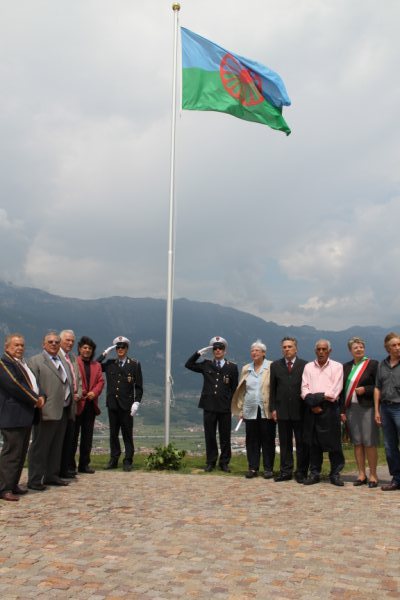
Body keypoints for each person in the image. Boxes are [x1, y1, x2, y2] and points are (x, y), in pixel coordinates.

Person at [28, 331, 75, 490]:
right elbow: (33, 386)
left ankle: (51, 476)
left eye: (56, 342)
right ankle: (35, 479)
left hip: (64, 409)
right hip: (45, 411)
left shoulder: (63, 361)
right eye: (50, 342)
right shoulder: (36, 361)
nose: (54, 344)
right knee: (40, 447)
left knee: (56, 446)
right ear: (44, 344)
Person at [0, 334, 44, 501]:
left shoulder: (22, 364)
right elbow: (15, 385)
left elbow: (34, 383)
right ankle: (4, 488)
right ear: (7, 347)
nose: (19, 348)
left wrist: (42, 396)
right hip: (12, 416)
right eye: (16, 345)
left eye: (22, 345)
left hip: (25, 414)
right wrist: (35, 399)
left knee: (20, 452)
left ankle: (13, 484)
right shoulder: (4, 363)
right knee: (11, 453)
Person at [185, 336, 238, 472]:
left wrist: (233, 406)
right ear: (212, 351)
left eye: (220, 348)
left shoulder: (232, 367)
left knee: (225, 436)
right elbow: (188, 365)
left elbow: (234, 389)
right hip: (209, 406)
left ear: (225, 351)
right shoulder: (206, 364)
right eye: (215, 348)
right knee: (210, 436)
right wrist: (198, 353)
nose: (218, 350)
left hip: (225, 407)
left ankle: (224, 463)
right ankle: (211, 462)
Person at [301, 339, 345, 486]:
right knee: (314, 444)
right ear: (315, 351)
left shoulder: (337, 367)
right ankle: (315, 473)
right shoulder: (308, 367)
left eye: (324, 349)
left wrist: (316, 397)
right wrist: (312, 403)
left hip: (330, 408)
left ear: (329, 351)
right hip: (312, 408)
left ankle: (335, 473)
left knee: (334, 443)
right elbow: (304, 389)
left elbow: (334, 391)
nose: (321, 352)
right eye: (318, 349)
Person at [97, 336, 143, 472]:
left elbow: (139, 386)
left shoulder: (134, 364)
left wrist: (137, 402)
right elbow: (94, 365)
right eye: (118, 348)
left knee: (127, 434)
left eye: (122, 347)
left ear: (127, 349)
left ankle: (128, 460)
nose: (120, 350)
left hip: (127, 405)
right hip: (113, 405)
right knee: (113, 434)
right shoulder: (110, 363)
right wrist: (104, 353)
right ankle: (114, 459)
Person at [232, 340, 275, 479]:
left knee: (268, 439)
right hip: (250, 409)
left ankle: (268, 468)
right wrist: (241, 409)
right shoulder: (246, 368)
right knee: (251, 440)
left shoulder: (271, 366)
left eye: (257, 350)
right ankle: (253, 468)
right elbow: (242, 390)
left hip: (266, 408)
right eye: (252, 350)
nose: (254, 353)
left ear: (264, 353)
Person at [341, 337, 379, 488]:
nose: (358, 349)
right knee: (357, 442)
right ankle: (361, 474)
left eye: (361, 347)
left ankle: (374, 475)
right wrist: (342, 410)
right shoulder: (346, 367)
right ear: (350, 350)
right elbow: (342, 390)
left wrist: (366, 389)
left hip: (368, 407)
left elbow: (378, 385)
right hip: (351, 408)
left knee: (369, 442)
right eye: (355, 347)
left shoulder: (372, 364)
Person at [270, 336, 309, 483]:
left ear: (296, 348)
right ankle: (285, 471)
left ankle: (301, 471)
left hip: (300, 410)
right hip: (282, 410)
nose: (287, 349)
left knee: (301, 443)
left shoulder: (305, 365)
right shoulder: (275, 365)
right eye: (284, 347)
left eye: (290, 346)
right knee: (285, 443)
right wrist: (273, 408)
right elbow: (272, 389)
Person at [71, 336, 104, 473]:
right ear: (79, 349)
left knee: (87, 436)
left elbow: (101, 382)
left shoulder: (97, 365)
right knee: (73, 436)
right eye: (84, 347)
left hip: (90, 405)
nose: (87, 350)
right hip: (77, 404)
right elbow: (73, 379)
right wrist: (82, 391)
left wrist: (94, 393)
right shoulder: (74, 362)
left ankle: (84, 464)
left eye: (89, 348)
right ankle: (70, 465)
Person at [374, 332, 400, 491]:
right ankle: (396, 478)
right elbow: (377, 387)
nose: (397, 348)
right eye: (394, 345)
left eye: (399, 345)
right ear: (387, 348)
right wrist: (376, 410)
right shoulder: (382, 365)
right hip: (385, 408)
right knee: (389, 446)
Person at [59, 329, 81, 478]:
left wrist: (79, 393)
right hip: (60, 405)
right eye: (67, 340)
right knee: (59, 439)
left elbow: (77, 379)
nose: (70, 343)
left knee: (69, 438)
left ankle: (65, 468)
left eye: (72, 341)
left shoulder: (73, 358)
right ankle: (57, 469)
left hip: (72, 405)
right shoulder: (57, 357)